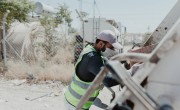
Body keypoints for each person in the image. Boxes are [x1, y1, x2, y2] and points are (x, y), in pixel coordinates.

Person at [64, 30, 122, 110]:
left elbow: (104, 63)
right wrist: (131, 74)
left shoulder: (90, 49)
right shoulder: (93, 58)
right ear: (101, 44)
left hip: (75, 101)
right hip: (76, 105)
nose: (113, 51)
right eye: (111, 47)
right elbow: (108, 81)